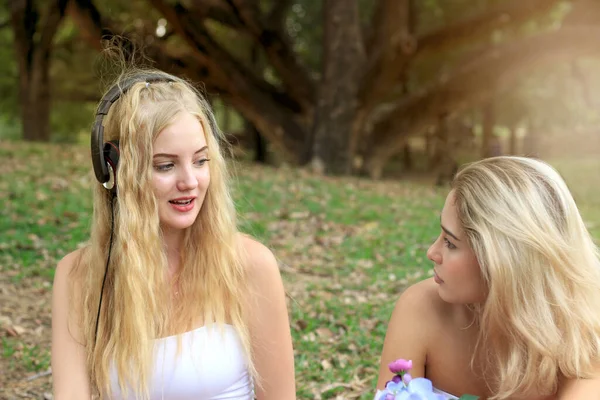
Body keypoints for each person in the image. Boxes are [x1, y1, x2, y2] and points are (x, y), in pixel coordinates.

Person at [51, 68, 296, 399]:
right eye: (165, 165)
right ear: (113, 169)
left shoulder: (250, 265)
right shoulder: (80, 276)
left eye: (200, 161)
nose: (190, 182)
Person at [376, 156, 600, 399]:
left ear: (504, 260)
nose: (432, 252)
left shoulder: (583, 339)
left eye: (450, 243)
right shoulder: (421, 308)